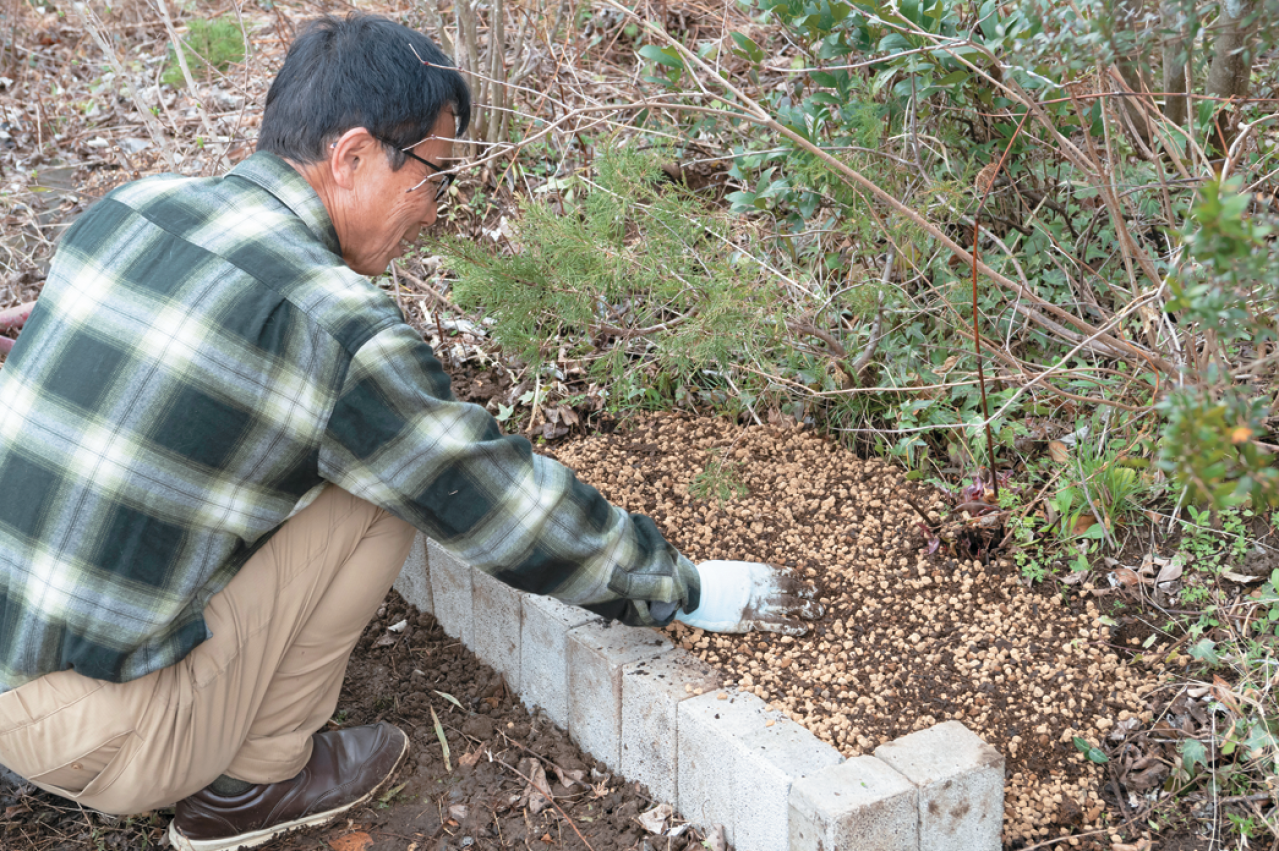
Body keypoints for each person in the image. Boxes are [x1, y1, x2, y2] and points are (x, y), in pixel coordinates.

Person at [0, 13, 821, 851]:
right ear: (353, 156)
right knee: (382, 491)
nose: (432, 211)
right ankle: (255, 783)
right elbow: (488, 494)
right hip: (99, 736)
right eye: (432, 175)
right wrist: (684, 588)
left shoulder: (128, 211)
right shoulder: (335, 323)